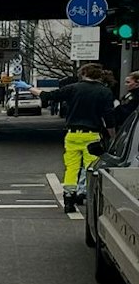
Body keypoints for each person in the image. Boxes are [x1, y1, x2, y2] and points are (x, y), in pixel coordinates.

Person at [46, 63, 117, 208]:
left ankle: (68, 198)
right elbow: (109, 118)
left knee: (71, 168)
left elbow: (49, 96)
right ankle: (85, 193)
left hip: (72, 135)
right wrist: (113, 136)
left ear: (84, 73)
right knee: (90, 167)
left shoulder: (73, 88)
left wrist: (29, 88)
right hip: (92, 136)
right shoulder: (105, 92)